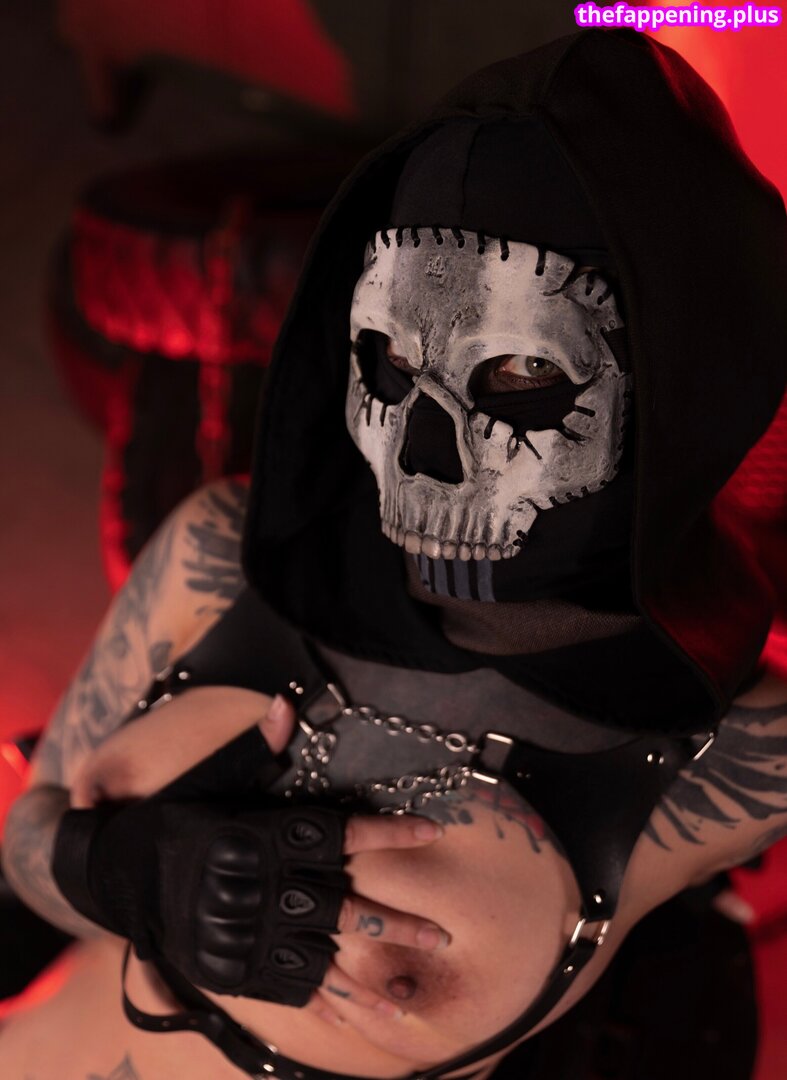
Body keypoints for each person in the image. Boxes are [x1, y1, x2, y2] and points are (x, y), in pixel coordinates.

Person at [2, 26, 786, 1080]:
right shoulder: (217, 552)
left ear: (681, 397)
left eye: (518, 378)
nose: (420, 453)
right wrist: (117, 868)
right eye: (385, 363)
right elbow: (27, 853)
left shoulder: (738, 747)